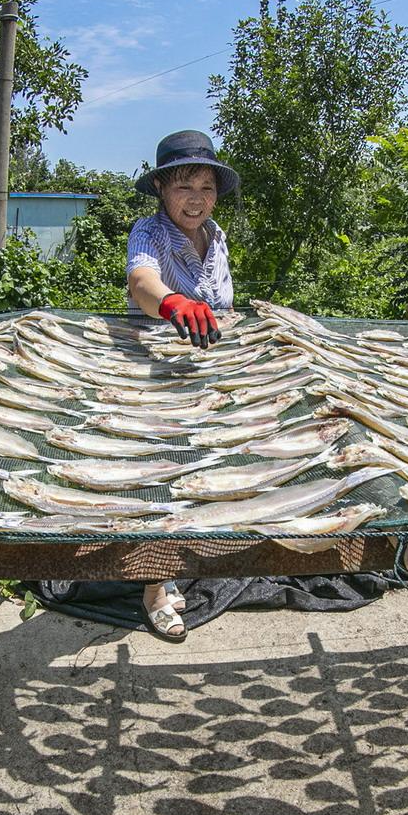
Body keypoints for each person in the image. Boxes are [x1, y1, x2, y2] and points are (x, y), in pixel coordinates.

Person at [126, 130, 240, 641]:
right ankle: (154, 587)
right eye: (183, 187)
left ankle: (185, 555)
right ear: (161, 189)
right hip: (159, 371)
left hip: (208, 372)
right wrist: (172, 304)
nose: (196, 199)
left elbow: (222, 302)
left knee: (201, 466)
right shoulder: (149, 232)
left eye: (206, 187)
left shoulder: (215, 235)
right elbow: (142, 283)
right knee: (160, 470)